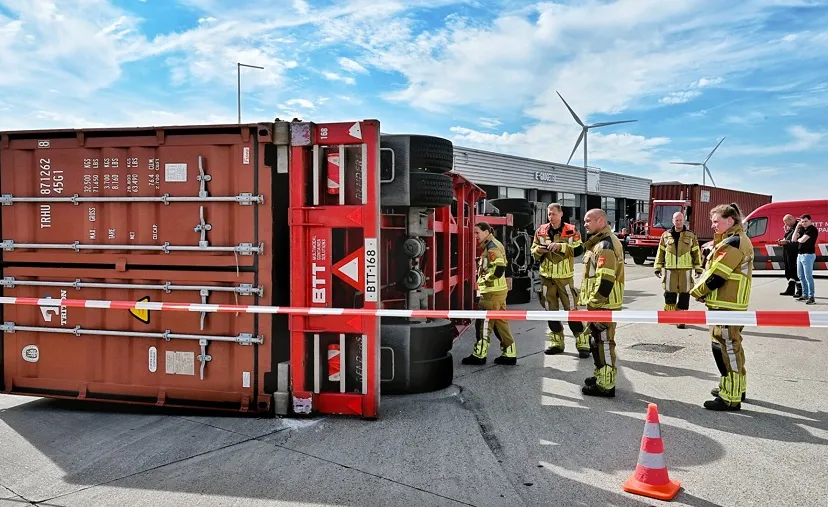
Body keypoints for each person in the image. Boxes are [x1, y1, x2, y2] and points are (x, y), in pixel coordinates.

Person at [690, 203, 753, 411]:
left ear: (730, 220)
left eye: (716, 221)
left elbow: (718, 275)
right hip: (726, 303)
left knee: (726, 349)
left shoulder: (734, 242)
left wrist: (698, 292)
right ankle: (735, 387)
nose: (712, 225)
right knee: (730, 347)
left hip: (728, 305)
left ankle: (730, 396)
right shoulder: (731, 240)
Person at [530, 203, 591, 357]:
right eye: (549, 214)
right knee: (550, 312)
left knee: (572, 311)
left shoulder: (571, 230)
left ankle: (583, 343)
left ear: (561, 214)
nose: (551, 217)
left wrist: (561, 247)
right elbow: (533, 249)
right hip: (546, 278)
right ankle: (556, 343)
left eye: (554, 214)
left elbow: (579, 249)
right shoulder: (541, 230)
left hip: (564, 279)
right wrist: (538, 250)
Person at [578, 209, 625, 397]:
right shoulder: (598, 243)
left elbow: (605, 281)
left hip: (603, 305)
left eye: (588, 220)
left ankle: (605, 385)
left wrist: (593, 304)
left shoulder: (605, 245)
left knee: (603, 343)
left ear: (601, 220)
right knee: (595, 342)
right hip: (599, 305)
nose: (585, 224)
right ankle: (600, 375)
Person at [462, 222, 517, 365]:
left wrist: (486, 278)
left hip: (491, 293)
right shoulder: (492, 244)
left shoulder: (492, 247)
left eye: (477, 233)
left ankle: (479, 355)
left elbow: (499, 267)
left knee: (483, 324)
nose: (475, 236)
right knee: (500, 324)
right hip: (498, 292)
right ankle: (509, 353)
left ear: (486, 232)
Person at [653, 211, 703, 328]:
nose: (678, 222)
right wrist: (657, 267)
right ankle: (671, 316)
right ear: (673, 221)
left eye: (680, 220)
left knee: (685, 294)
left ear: (683, 220)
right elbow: (660, 252)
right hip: (670, 270)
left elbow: (696, 253)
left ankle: (681, 318)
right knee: (669, 293)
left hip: (685, 270)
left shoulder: (691, 235)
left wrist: (698, 268)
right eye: (676, 220)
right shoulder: (665, 235)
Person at [792, 214, 818, 305]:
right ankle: (805, 294)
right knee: (801, 276)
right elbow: (793, 239)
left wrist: (799, 239)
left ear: (810, 221)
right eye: (802, 222)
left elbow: (802, 240)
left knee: (808, 277)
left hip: (808, 255)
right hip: (800, 255)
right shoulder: (802, 229)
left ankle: (811, 297)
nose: (804, 223)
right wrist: (797, 228)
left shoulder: (812, 229)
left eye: (806, 221)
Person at [777, 214, 802, 298]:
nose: (785, 224)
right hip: (788, 252)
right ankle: (790, 289)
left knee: (795, 271)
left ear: (791, 219)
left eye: (786, 222)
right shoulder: (791, 228)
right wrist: (782, 241)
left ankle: (800, 290)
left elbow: (795, 240)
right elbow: (788, 238)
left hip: (794, 253)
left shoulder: (799, 227)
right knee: (789, 271)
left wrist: (786, 242)